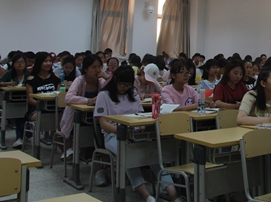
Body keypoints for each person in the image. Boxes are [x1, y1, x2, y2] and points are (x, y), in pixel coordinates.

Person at [94, 67, 183, 202]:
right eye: (122, 84)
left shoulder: (133, 94)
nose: (124, 88)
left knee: (154, 153)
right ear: (115, 80)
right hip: (113, 135)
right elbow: (103, 123)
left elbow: (140, 115)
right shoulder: (104, 95)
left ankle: (173, 194)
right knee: (129, 154)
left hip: (135, 134)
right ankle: (146, 195)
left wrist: (141, 127)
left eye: (128, 85)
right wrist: (122, 132)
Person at [61, 54, 108, 173]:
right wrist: (89, 101)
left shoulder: (101, 81)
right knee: (94, 136)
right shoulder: (79, 80)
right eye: (94, 67)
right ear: (86, 69)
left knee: (103, 133)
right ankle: (98, 169)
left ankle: (104, 168)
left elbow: (112, 93)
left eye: (99, 67)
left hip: (96, 119)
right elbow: (68, 98)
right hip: (77, 120)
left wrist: (108, 78)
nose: (97, 70)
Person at [0, 53, 31, 148]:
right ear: (13, 64)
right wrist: (6, 83)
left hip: (26, 101)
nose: (20, 64)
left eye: (22, 62)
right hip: (11, 101)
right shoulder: (9, 73)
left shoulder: (29, 74)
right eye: (17, 62)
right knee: (19, 115)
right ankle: (21, 137)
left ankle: (21, 137)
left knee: (23, 115)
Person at [25, 52, 61, 146]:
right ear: (39, 63)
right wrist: (41, 106)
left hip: (53, 108)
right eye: (45, 61)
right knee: (47, 118)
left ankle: (54, 138)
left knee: (62, 117)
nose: (48, 63)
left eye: (49, 61)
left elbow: (58, 95)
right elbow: (30, 99)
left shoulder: (56, 77)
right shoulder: (31, 79)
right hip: (36, 109)